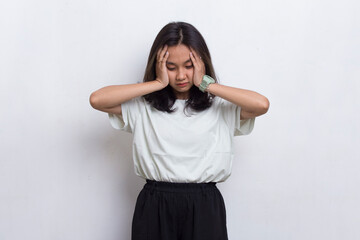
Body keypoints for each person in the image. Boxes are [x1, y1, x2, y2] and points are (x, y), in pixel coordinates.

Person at [90, 21, 269, 240]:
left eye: (188, 65)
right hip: (155, 203)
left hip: (204, 204)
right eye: (171, 67)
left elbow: (261, 104)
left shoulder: (220, 109)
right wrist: (156, 83)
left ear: (202, 63)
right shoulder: (143, 109)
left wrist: (206, 84)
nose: (181, 76)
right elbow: (97, 99)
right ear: (159, 65)